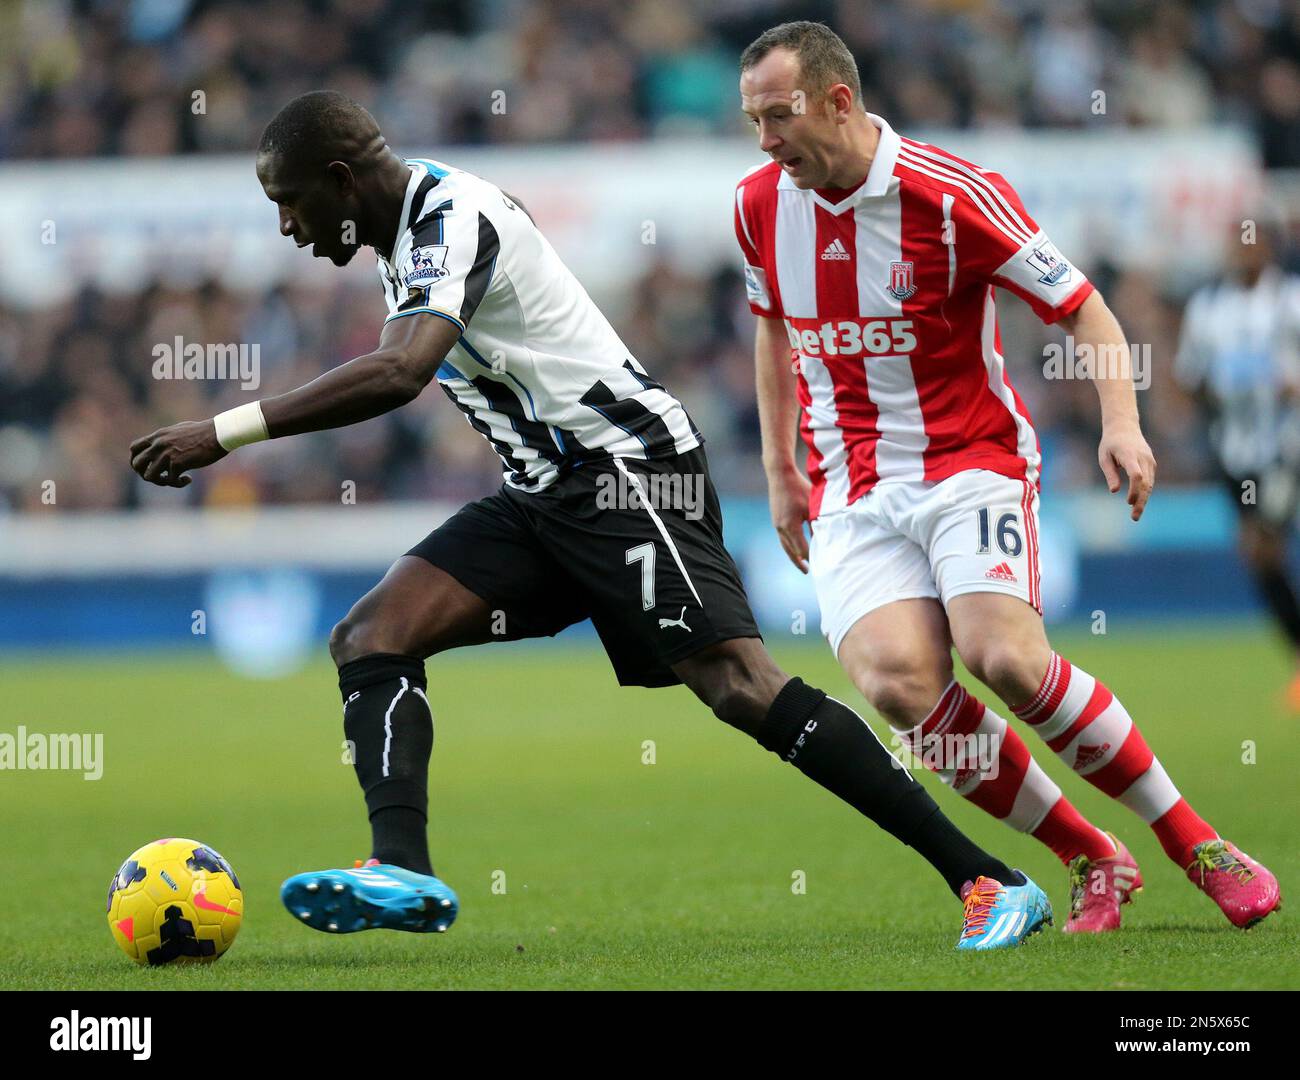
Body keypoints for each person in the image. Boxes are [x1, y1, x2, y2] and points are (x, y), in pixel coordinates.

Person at [130, 90, 1050, 951]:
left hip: (629, 474)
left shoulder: (454, 217)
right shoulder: (400, 240)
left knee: (738, 684)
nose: (286, 229)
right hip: (542, 494)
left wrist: (223, 431)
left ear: (340, 178)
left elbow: (400, 372)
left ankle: (988, 880)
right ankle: (402, 869)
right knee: (371, 634)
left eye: (289, 204)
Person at [733, 21, 1279, 932]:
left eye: (779, 116)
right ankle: (1090, 855)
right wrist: (778, 466)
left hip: (967, 463)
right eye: (753, 121)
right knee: (900, 688)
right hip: (852, 489)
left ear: (837, 100)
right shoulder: (759, 204)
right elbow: (773, 328)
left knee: (1006, 660)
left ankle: (1196, 842)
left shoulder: (953, 196)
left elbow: (1086, 308)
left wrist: (1121, 423)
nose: (765, 141)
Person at [1176, 222, 1300, 709]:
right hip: (1232, 452)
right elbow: (1190, 375)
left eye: (1251, 242)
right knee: (1259, 555)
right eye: (1235, 242)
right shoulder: (1207, 309)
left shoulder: (1290, 301)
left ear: (1269, 248)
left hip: (1285, 447)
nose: (1241, 251)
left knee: (1263, 545)